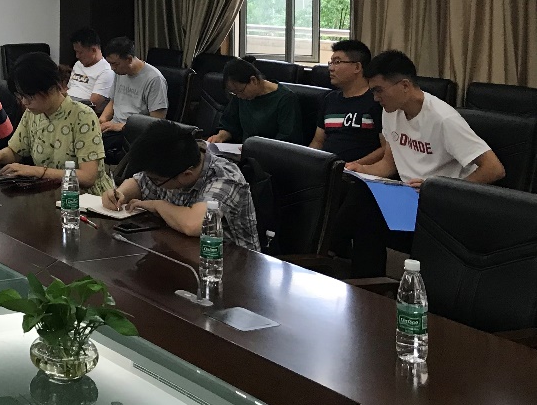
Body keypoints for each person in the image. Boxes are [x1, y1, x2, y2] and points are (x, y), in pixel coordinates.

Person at [330, 50, 505, 276]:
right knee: (361, 198)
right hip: (409, 199)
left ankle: (332, 255)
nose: (375, 98)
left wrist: (439, 190)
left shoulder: (443, 119)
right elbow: (389, 165)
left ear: (404, 85)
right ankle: (360, 277)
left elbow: (494, 169)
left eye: (379, 90)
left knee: (363, 213)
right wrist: (360, 169)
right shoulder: (390, 112)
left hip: (442, 205)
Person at [103, 120, 261, 251]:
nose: (152, 183)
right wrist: (120, 194)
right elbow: (140, 182)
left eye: (156, 180)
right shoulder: (171, 164)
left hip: (231, 265)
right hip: (183, 251)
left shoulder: (224, 177)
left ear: (187, 174)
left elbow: (193, 224)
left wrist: (157, 205)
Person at [0, 52, 111, 194]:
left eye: (30, 96)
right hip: (50, 193)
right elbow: (16, 151)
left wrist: (35, 171)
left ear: (52, 87)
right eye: (20, 96)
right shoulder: (32, 113)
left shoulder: (82, 116)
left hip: (87, 198)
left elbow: (87, 177)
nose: (24, 102)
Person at [308, 39, 384, 162]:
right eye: (331, 63)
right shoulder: (329, 99)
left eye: (337, 62)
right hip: (326, 168)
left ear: (357, 67)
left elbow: (385, 149)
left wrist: (351, 167)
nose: (331, 68)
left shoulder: (377, 100)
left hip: (358, 170)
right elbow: (318, 142)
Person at [98, 37, 169, 153]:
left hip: (134, 133)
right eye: (110, 64)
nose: (112, 68)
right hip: (113, 128)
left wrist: (122, 126)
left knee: (93, 148)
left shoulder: (154, 79)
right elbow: (113, 101)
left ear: (129, 59)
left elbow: (157, 122)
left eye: (115, 64)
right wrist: (102, 120)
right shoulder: (120, 72)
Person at [207, 59, 302, 144]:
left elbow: (288, 139)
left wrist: (257, 149)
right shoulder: (240, 96)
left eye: (240, 91)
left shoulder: (285, 99)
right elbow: (230, 124)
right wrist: (221, 136)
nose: (239, 96)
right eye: (234, 93)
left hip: (271, 154)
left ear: (253, 80)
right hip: (244, 151)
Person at [66, 27, 114, 110]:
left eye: (80, 52)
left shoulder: (106, 71)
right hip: (67, 102)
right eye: (76, 52)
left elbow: (93, 104)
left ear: (93, 50)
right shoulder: (78, 64)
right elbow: (69, 88)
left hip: (82, 109)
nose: (77, 56)